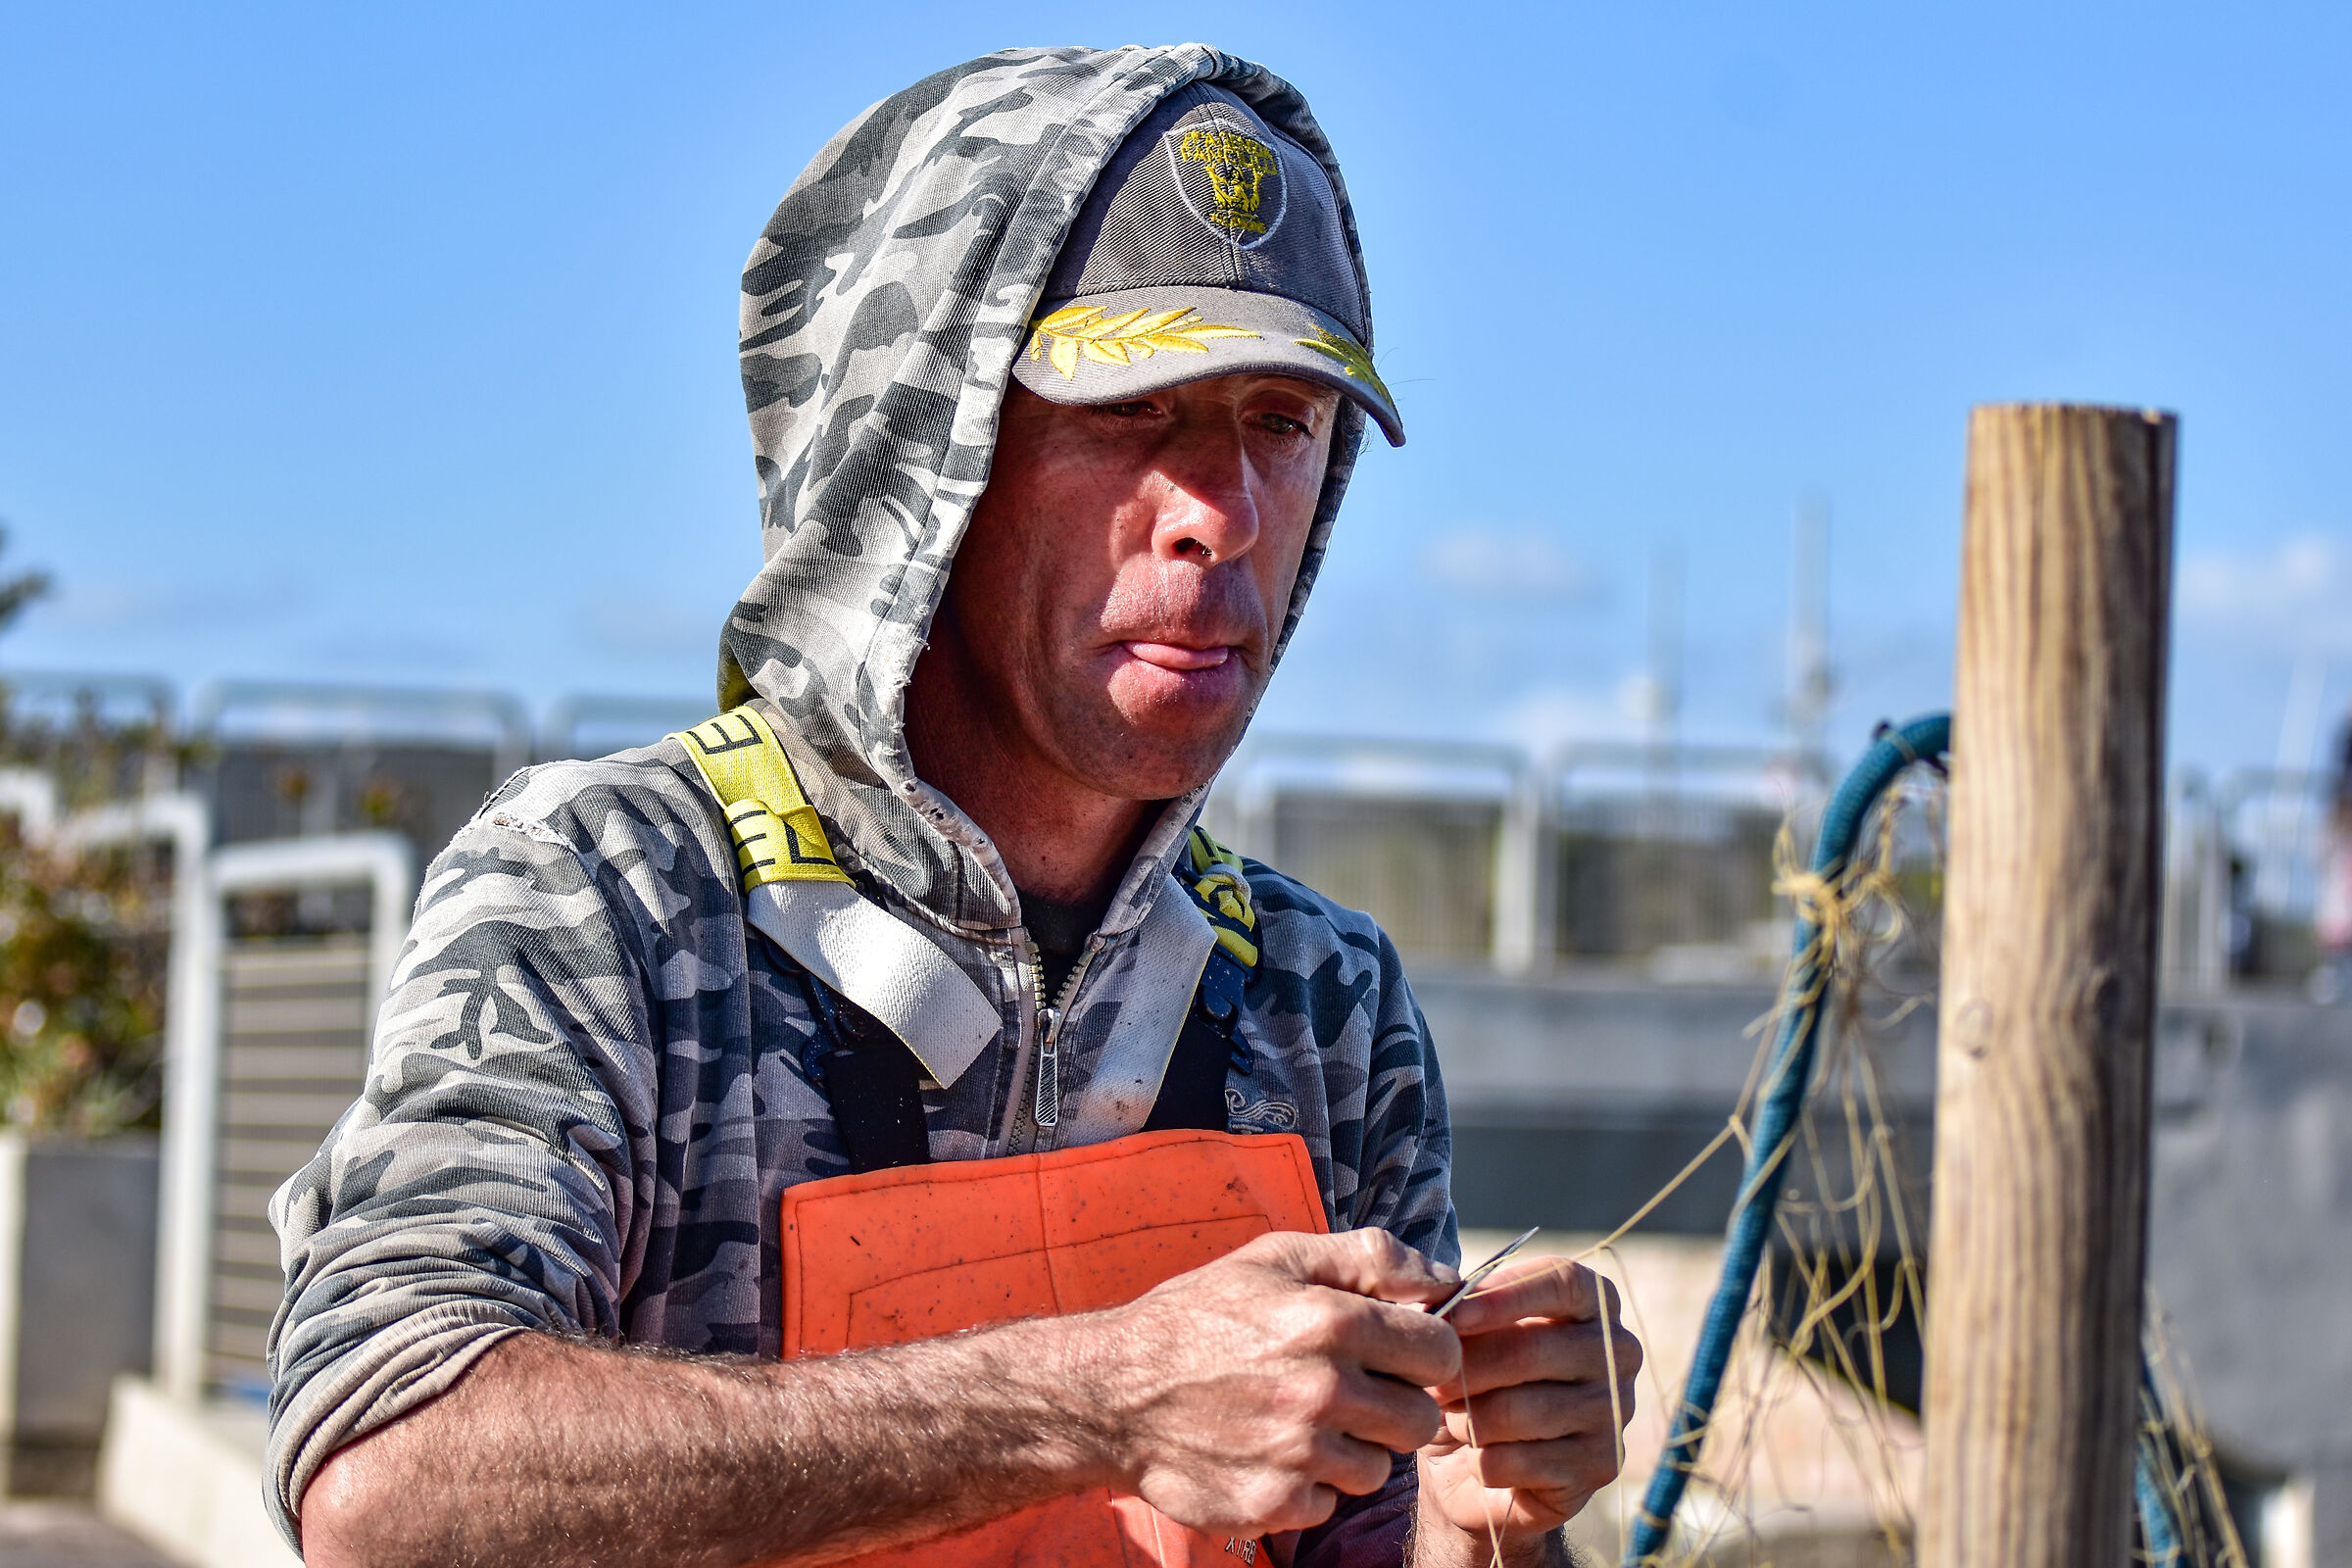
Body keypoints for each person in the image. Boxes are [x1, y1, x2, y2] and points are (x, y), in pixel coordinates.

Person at [268, 45, 1639, 1568]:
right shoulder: (611, 897)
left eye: (1282, 421)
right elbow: (384, 1477)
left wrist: (1486, 1512)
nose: (1225, 513)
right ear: (920, 455)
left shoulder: (1320, 1001)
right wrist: (1100, 1397)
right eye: (1131, 413)